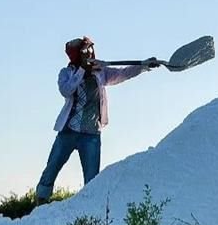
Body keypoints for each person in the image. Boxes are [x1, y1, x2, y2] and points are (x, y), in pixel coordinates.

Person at [35, 36, 161, 204]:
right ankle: (41, 202)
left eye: (89, 50)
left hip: (91, 134)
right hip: (69, 131)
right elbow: (66, 90)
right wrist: (82, 71)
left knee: (92, 179)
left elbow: (123, 73)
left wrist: (143, 66)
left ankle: (90, 210)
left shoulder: (100, 72)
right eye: (84, 51)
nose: (89, 54)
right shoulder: (66, 73)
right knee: (52, 168)